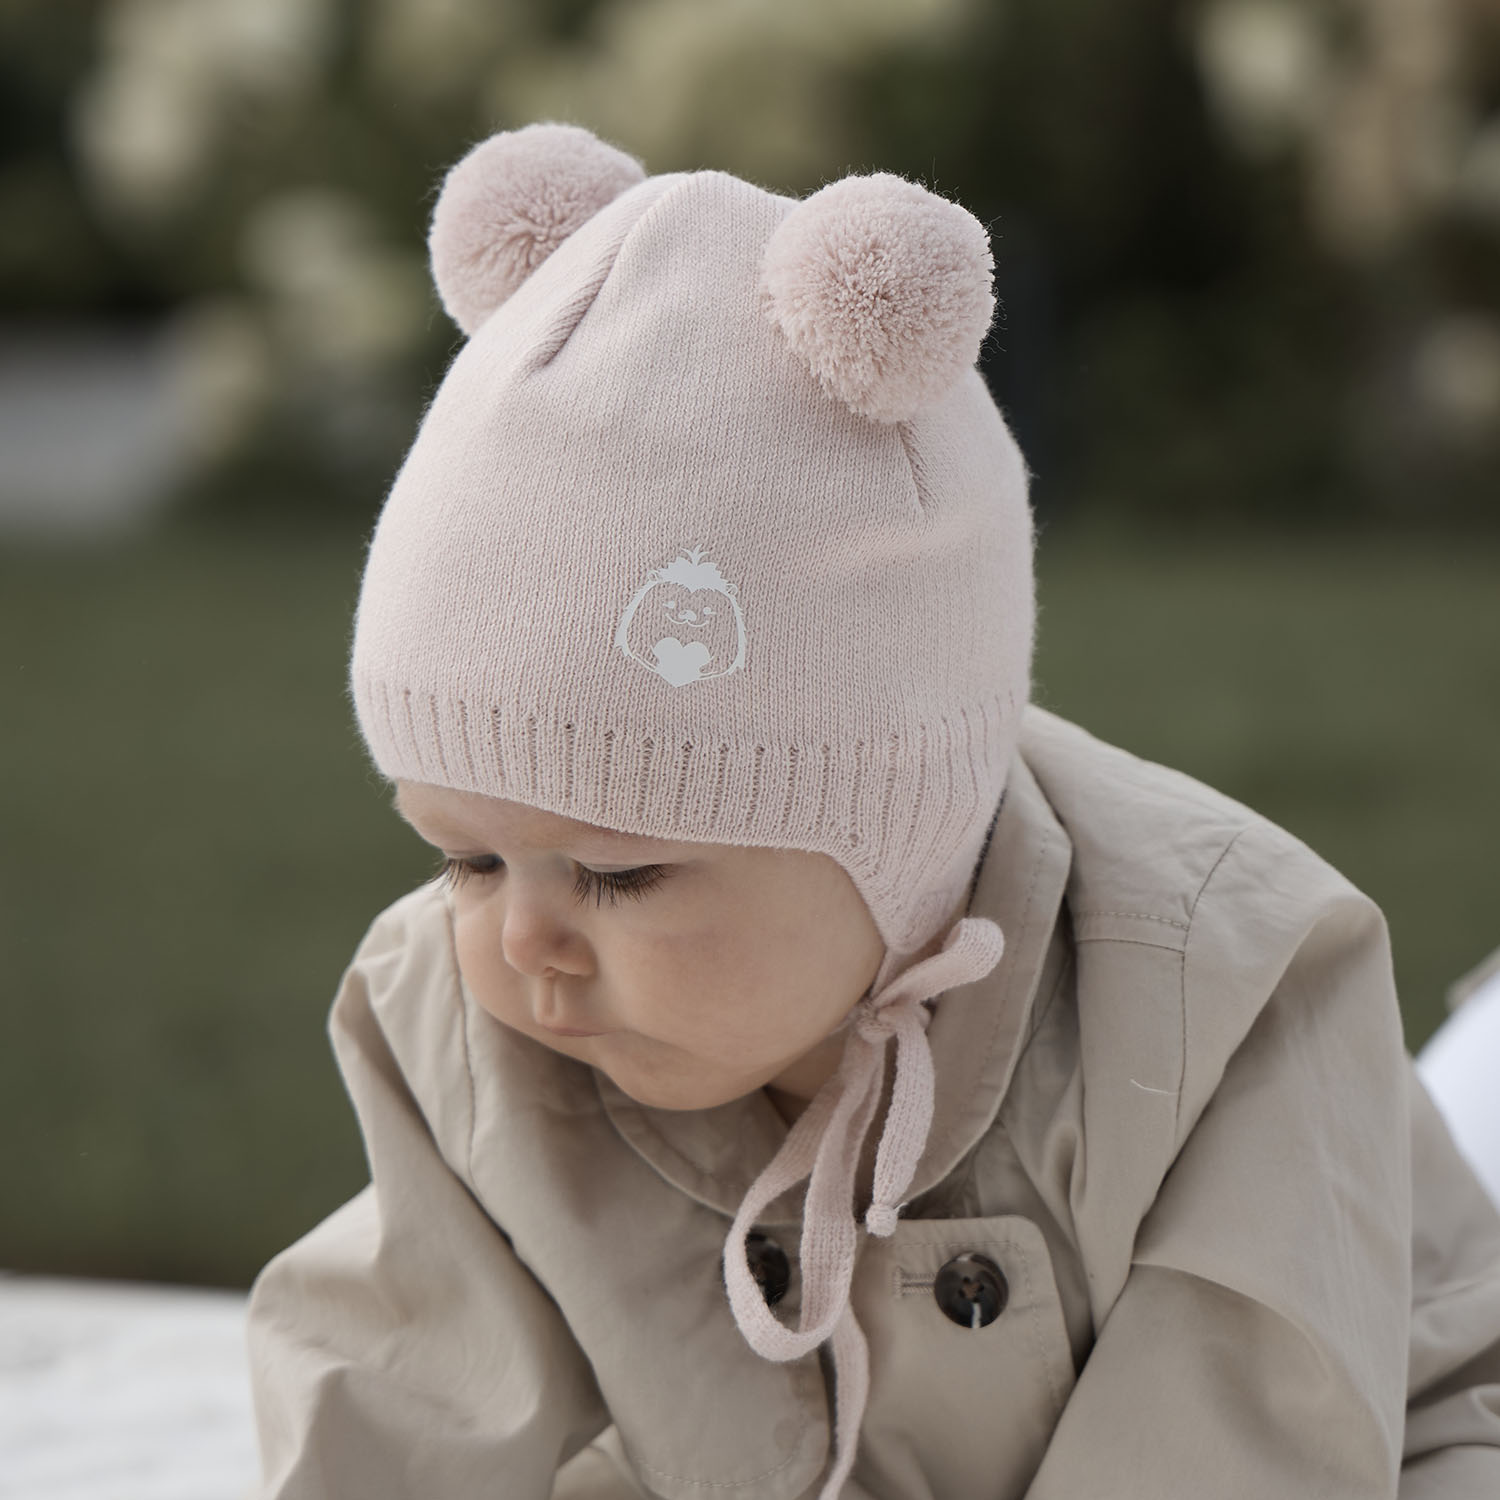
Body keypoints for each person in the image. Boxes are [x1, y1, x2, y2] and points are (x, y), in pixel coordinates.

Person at [244, 123, 1500, 1500]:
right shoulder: (465, 1014)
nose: (520, 940)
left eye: (620, 875)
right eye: (467, 857)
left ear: (896, 832)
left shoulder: (1220, 993)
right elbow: (410, 1389)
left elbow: (1249, 1434)